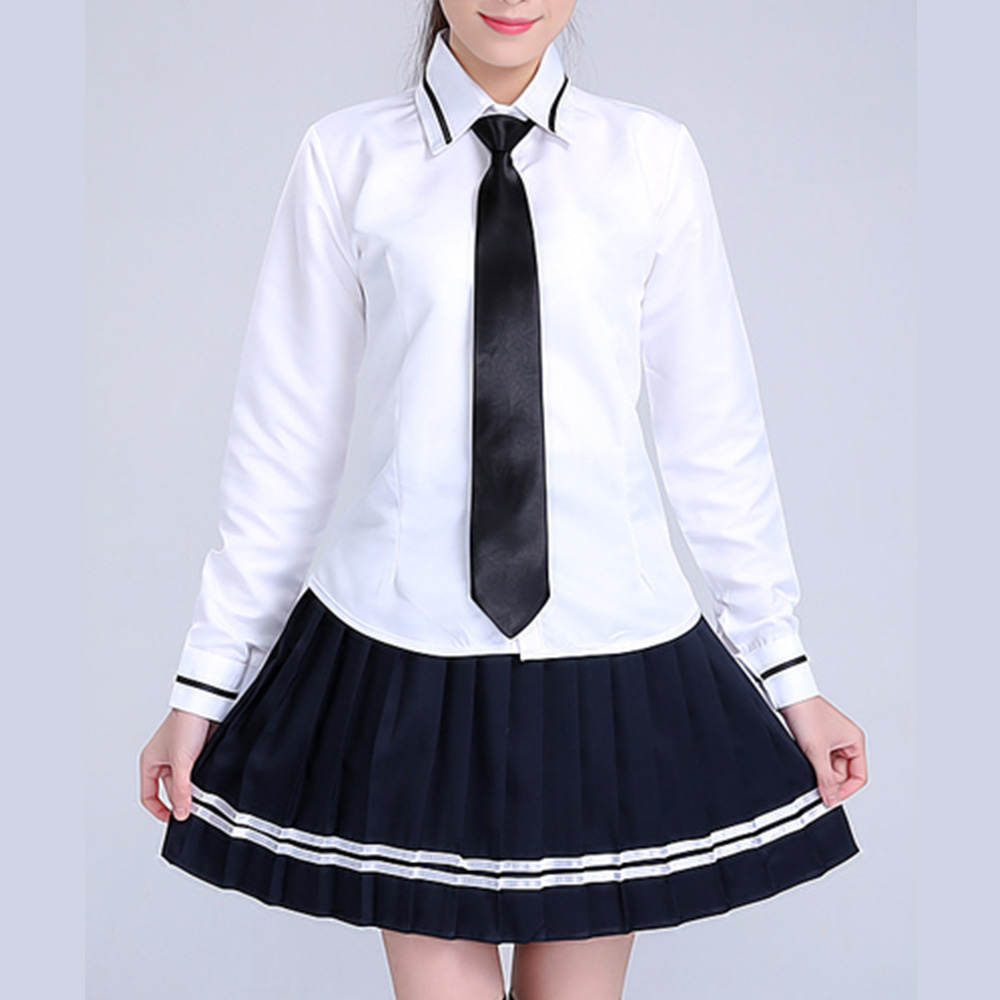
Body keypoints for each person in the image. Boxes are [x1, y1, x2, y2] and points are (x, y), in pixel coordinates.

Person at [138, 3, 868, 999]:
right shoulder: (344, 159)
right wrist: (204, 685)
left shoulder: (651, 159)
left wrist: (788, 672)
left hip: (610, 657)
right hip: (402, 656)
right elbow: (284, 441)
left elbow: (714, 434)